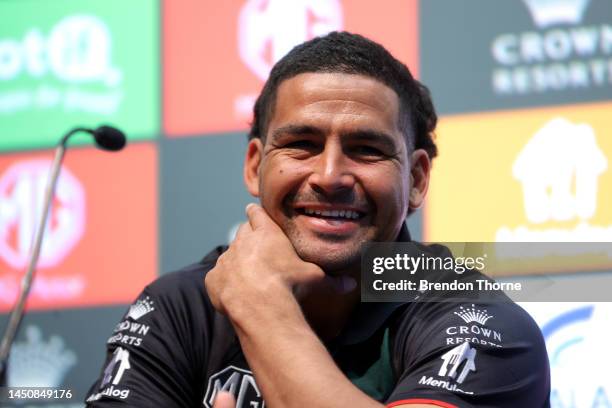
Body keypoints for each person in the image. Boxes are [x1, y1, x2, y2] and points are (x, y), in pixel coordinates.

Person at [85, 32, 550, 407]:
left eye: (366, 149)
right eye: (302, 144)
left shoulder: (479, 320)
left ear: (417, 179)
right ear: (254, 165)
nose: (330, 176)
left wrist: (261, 308)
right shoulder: (179, 307)